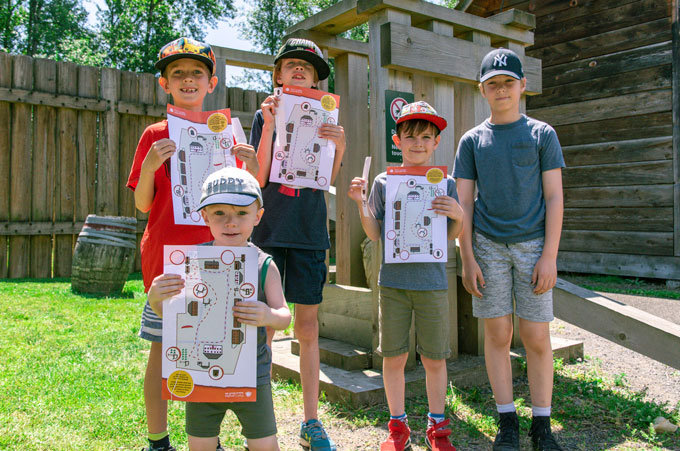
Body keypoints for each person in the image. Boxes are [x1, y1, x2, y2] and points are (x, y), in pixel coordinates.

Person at [126, 37, 259, 451]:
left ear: (211, 82)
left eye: (196, 73)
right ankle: (157, 439)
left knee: (209, 343)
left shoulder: (226, 133)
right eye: (177, 74)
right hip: (168, 258)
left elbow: (247, 202)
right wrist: (150, 165)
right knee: (163, 349)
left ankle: (206, 438)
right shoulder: (154, 134)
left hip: (217, 257)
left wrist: (251, 165)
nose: (187, 80)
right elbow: (142, 203)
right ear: (164, 83)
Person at [453, 48, 565, 451]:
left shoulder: (542, 134)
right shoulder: (471, 141)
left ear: (522, 87)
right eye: (492, 83)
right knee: (498, 333)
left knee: (536, 335)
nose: (501, 90)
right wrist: (466, 256)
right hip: (487, 247)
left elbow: (554, 197)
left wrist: (549, 255)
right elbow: (463, 204)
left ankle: (542, 424)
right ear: (481, 89)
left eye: (508, 82)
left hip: (534, 247)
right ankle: (507, 421)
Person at [148, 167, 291, 451]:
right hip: (200, 377)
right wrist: (155, 300)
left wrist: (268, 315)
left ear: (258, 216)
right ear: (204, 217)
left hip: (252, 377)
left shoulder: (264, 265)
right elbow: (177, 320)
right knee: (200, 446)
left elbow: (285, 316)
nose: (230, 223)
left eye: (241, 213)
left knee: (265, 446)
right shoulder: (190, 263)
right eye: (219, 213)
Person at [348, 101, 463, 451]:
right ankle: (397, 427)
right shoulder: (385, 182)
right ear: (396, 140)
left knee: (434, 358)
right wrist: (360, 201)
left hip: (432, 284)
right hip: (393, 285)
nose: (418, 143)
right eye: (409, 136)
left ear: (437, 142)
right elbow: (374, 232)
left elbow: (452, 234)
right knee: (394, 356)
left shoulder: (445, 182)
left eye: (426, 137)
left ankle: (437, 427)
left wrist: (459, 213)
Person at [250, 38, 346, 451]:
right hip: (268, 231)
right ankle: (259, 413)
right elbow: (259, 176)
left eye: (307, 67)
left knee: (308, 328)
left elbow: (326, 177)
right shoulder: (263, 114)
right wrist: (270, 124)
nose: (299, 71)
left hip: (308, 231)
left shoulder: (327, 115)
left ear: (316, 77)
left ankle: (311, 421)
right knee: (264, 327)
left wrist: (339, 146)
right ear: (277, 75)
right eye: (291, 65)